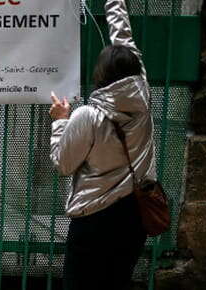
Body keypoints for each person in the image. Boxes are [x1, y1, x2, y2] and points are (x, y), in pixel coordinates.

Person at [49, 0, 154, 289]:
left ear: (100, 74)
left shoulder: (88, 116)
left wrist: (60, 120)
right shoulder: (142, 96)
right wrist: (115, 2)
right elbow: (124, 38)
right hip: (133, 213)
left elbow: (63, 163)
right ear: (135, 70)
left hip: (93, 217)